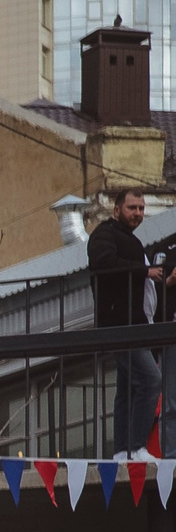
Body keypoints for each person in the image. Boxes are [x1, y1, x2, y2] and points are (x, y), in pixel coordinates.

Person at [92, 186, 167, 456]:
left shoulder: (129, 240)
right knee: (150, 380)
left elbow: (139, 290)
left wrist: (159, 282)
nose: (137, 213)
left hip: (133, 326)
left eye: (141, 209)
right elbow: (104, 264)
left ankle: (123, 451)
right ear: (116, 210)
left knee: (125, 389)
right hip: (120, 326)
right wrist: (143, 271)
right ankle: (136, 447)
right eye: (132, 208)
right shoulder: (104, 234)